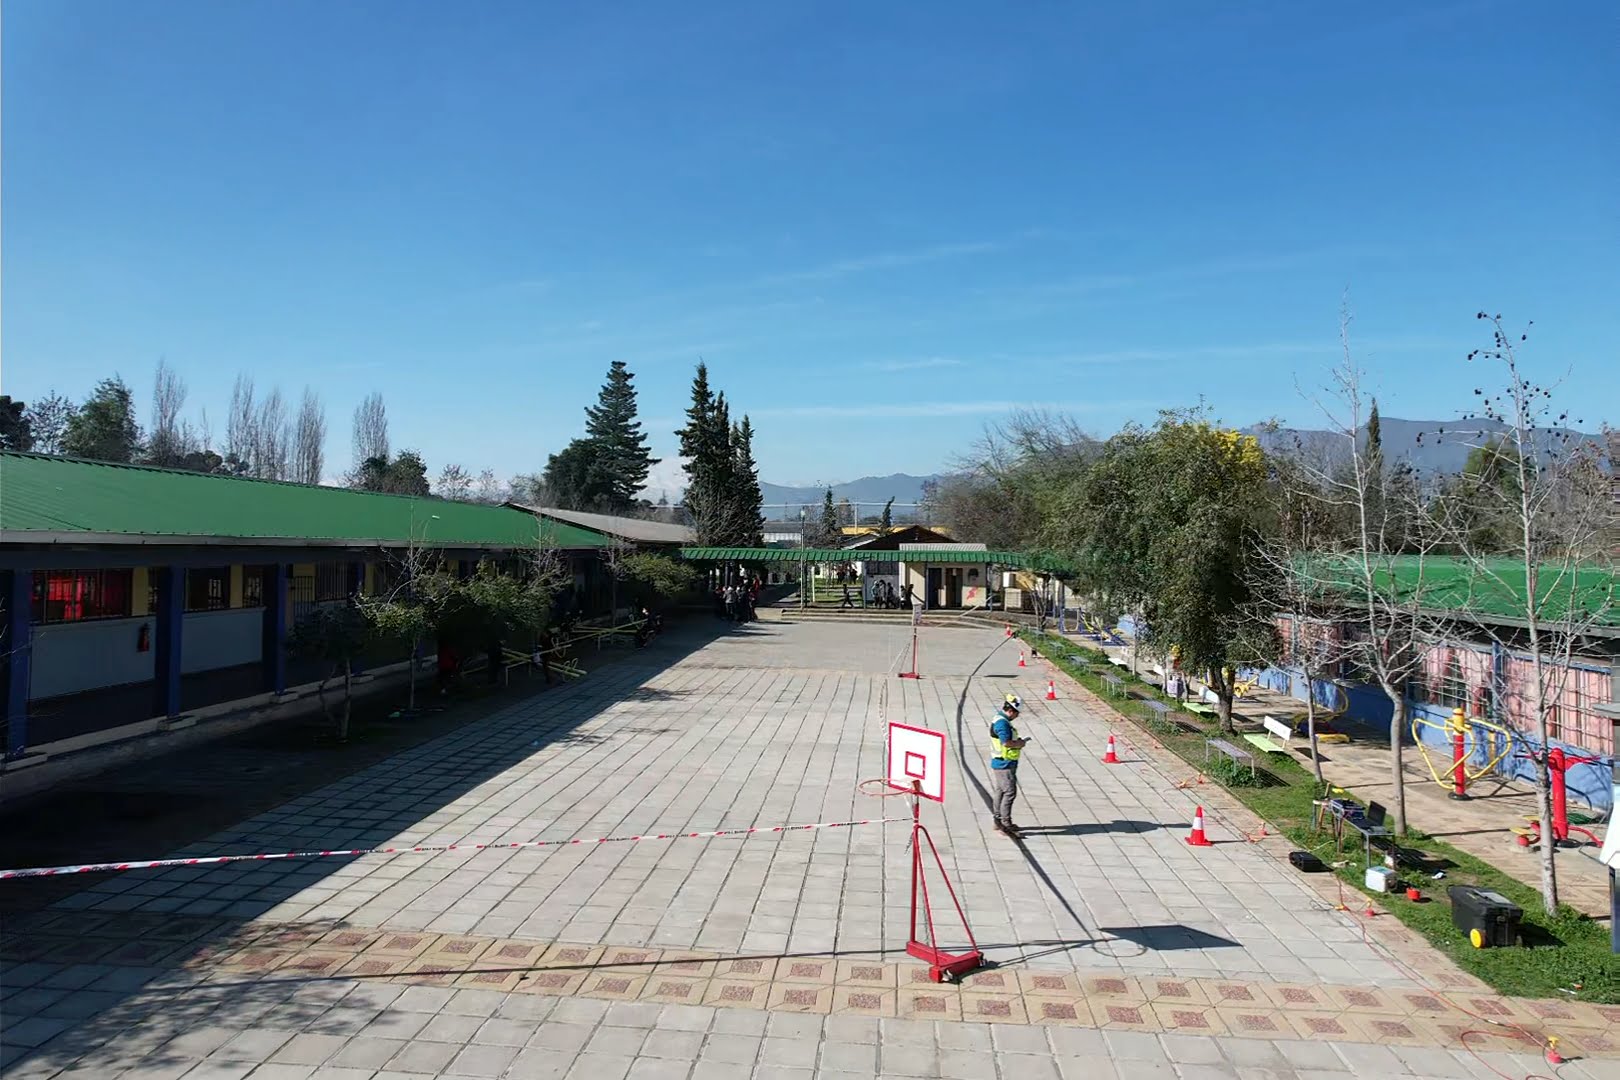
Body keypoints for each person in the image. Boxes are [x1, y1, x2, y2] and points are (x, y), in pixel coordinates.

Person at [989, 694, 1028, 837]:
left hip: (1002, 762)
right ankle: (1005, 824)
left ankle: (997, 821)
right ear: (1011, 711)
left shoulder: (999, 719)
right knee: (1009, 792)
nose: (1017, 716)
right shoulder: (1002, 723)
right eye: (1017, 714)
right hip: (1004, 763)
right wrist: (1020, 743)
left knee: (1000, 791)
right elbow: (1006, 742)